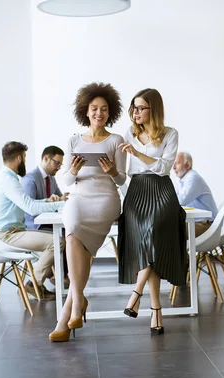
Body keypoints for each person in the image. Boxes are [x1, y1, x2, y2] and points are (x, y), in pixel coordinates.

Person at [49, 82, 127, 342]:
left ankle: (71, 311)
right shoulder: (73, 140)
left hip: (105, 199)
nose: (99, 113)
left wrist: (111, 171)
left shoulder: (117, 140)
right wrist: (72, 169)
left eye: (104, 109)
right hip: (79, 198)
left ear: (110, 112)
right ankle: (76, 303)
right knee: (71, 233)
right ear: (86, 111)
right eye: (94, 108)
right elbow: (66, 183)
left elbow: (122, 180)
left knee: (79, 246)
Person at [118, 88, 187, 335]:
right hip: (137, 190)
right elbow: (124, 171)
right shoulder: (129, 133)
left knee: (154, 234)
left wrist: (137, 153)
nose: (135, 112)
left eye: (141, 108)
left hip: (161, 190)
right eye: (134, 107)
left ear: (153, 109)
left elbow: (163, 167)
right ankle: (156, 309)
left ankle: (136, 293)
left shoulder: (170, 134)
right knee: (149, 244)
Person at [0, 141, 65, 301]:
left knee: (58, 238)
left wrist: (49, 202)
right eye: (24, 157)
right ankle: (33, 284)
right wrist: (63, 204)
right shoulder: (8, 181)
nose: (25, 161)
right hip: (8, 235)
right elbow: (30, 207)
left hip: (12, 231)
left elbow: (29, 203)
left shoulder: (7, 177)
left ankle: (36, 283)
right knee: (57, 241)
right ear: (18, 158)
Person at [22, 145, 70, 288]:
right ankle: (59, 274)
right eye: (57, 163)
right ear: (46, 158)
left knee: (70, 232)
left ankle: (59, 274)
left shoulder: (51, 178)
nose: (59, 167)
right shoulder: (30, 179)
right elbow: (30, 208)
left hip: (47, 222)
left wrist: (62, 198)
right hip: (33, 225)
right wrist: (53, 201)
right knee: (63, 236)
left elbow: (58, 198)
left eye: (61, 164)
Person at [172, 152, 218, 237]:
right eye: (173, 164)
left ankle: (178, 251)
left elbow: (180, 201)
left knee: (170, 230)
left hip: (207, 225)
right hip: (198, 223)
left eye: (177, 163)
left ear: (188, 165)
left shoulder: (193, 178)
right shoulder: (183, 181)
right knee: (167, 227)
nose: (173, 167)